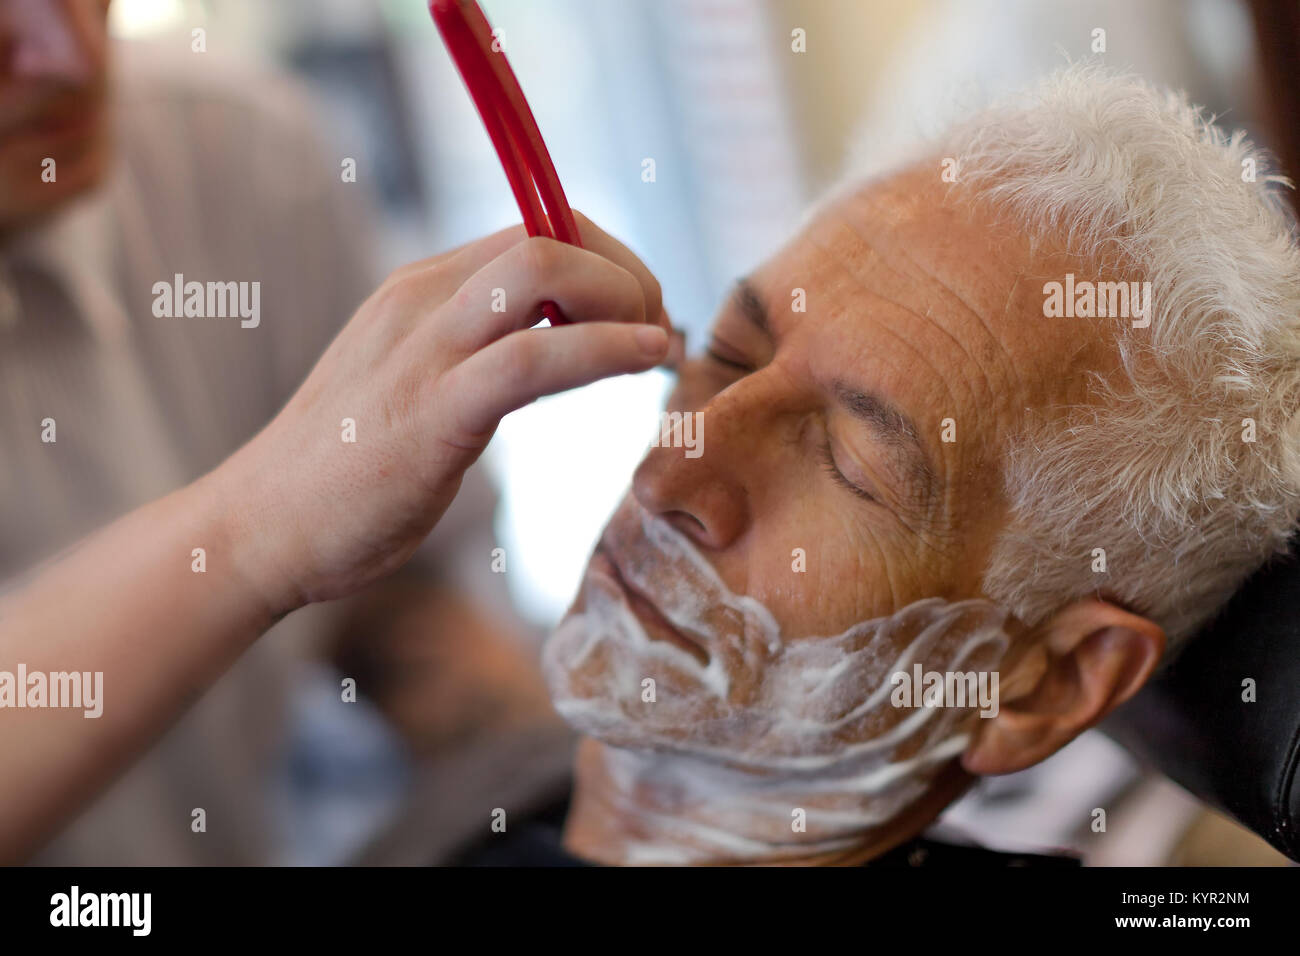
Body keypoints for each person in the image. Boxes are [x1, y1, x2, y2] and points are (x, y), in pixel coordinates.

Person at [458, 64, 1300, 865]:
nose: (665, 480)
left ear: (1042, 685)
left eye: (847, 464)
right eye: (730, 357)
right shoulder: (487, 797)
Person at [0, 0, 673, 864]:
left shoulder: (239, 161)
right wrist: (255, 534)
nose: (73, 50)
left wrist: (579, 795)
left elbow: (398, 606)